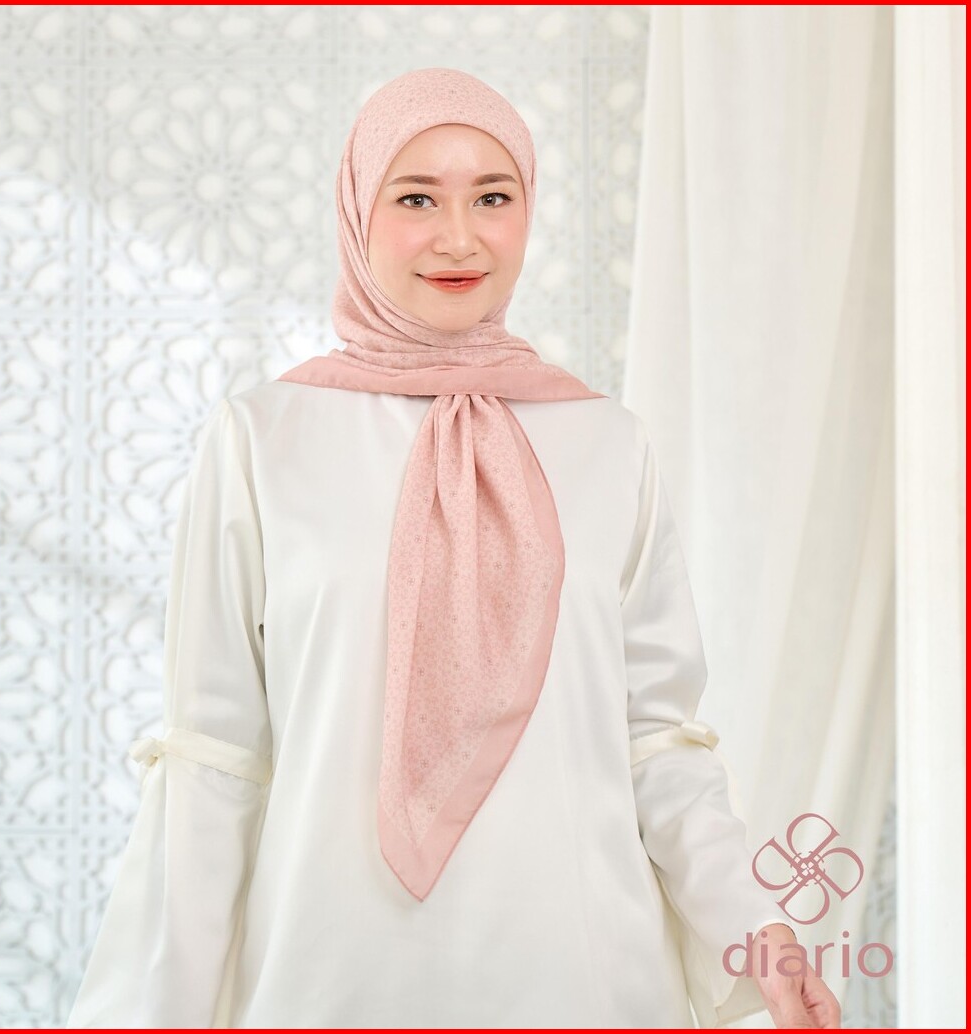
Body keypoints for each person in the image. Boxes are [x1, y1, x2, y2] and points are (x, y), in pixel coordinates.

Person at [66, 67, 841, 1029]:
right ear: (358, 209)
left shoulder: (608, 444)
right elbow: (213, 759)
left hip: (586, 980)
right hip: (330, 980)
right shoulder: (264, 440)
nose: (460, 238)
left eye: (493, 198)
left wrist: (758, 934)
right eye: (417, 198)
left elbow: (658, 744)